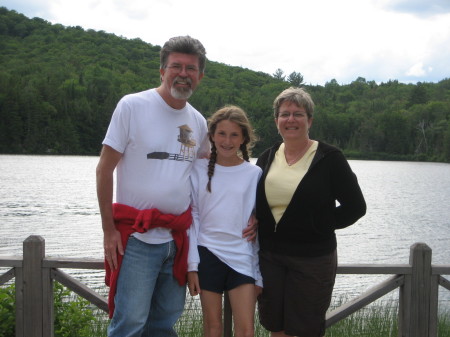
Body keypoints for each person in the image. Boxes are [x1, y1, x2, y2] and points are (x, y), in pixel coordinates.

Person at [96, 36, 255, 337]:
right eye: (176, 66)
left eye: (191, 68)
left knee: (163, 324)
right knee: (130, 323)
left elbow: (218, 180)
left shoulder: (197, 122)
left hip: (178, 241)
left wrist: (253, 213)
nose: (183, 74)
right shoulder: (132, 106)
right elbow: (104, 170)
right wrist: (108, 230)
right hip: (137, 239)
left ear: (200, 76)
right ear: (162, 70)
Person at [255, 87, 367, 337]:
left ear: (310, 120)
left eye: (298, 114)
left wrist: (319, 225)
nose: (291, 120)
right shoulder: (267, 156)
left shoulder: (330, 158)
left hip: (312, 259)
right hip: (271, 257)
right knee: (275, 324)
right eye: (284, 114)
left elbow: (356, 207)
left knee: (305, 328)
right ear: (276, 121)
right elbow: (257, 203)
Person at [187, 105, 263, 337]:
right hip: (207, 255)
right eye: (221, 133)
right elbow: (193, 217)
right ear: (211, 136)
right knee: (212, 327)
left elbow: (256, 225)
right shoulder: (197, 169)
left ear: (243, 139)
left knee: (246, 329)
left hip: (242, 257)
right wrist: (192, 266)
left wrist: (258, 273)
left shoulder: (254, 174)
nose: (227, 141)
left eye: (234, 135)